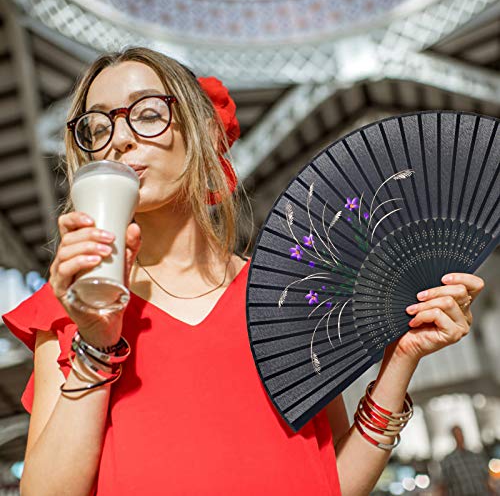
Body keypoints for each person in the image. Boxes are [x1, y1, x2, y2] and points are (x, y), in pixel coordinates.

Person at [2, 47, 485, 496]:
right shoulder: (72, 304)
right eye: (96, 127)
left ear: (202, 132)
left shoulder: (289, 291)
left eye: (147, 114)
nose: (120, 139)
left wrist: (400, 360)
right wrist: (97, 344)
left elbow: (330, 482)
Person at [440, 425, 492, 496]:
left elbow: (486, 479)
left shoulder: (475, 457)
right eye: (456, 434)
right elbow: (444, 484)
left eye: (460, 433)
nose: (459, 437)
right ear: (453, 437)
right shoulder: (448, 461)